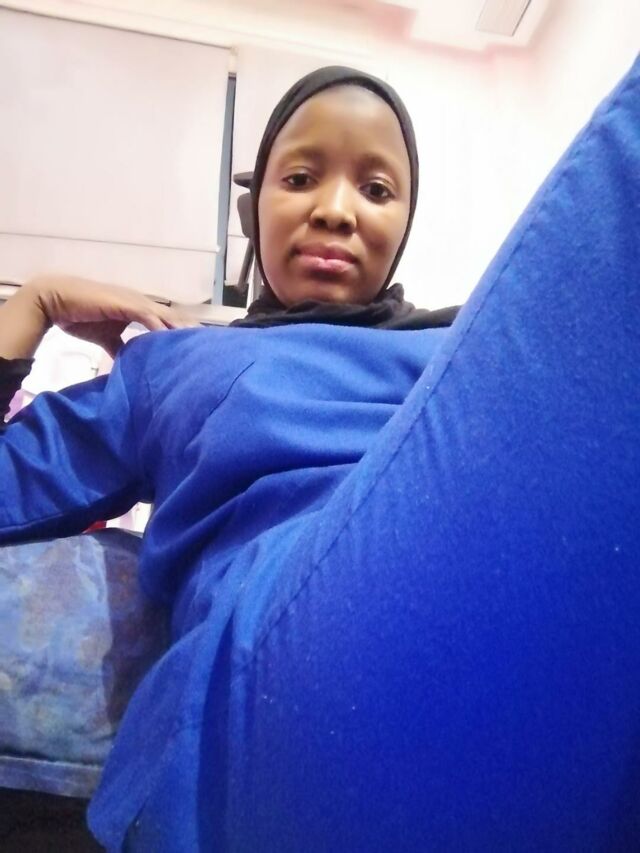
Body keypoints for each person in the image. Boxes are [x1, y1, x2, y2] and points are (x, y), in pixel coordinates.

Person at [0, 61, 638, 851]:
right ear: (254, 209)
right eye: (301, 177)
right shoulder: (170, 360)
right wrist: (33, 302)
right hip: (292, 670)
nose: (337, 210)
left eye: (376, 188)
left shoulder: (471, 349)